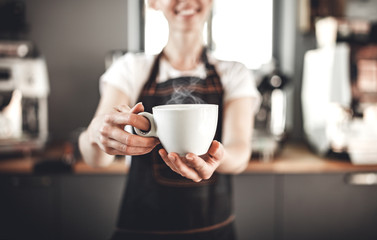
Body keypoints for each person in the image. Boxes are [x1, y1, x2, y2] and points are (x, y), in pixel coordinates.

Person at [79, 0, 261, 239]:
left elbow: (239, 151)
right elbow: (96, 159)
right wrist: (96, 134)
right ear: (153, 2)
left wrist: (219, 158)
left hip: (214, 229)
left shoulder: (234, 74)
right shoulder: (131, 69)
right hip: (141, 229)